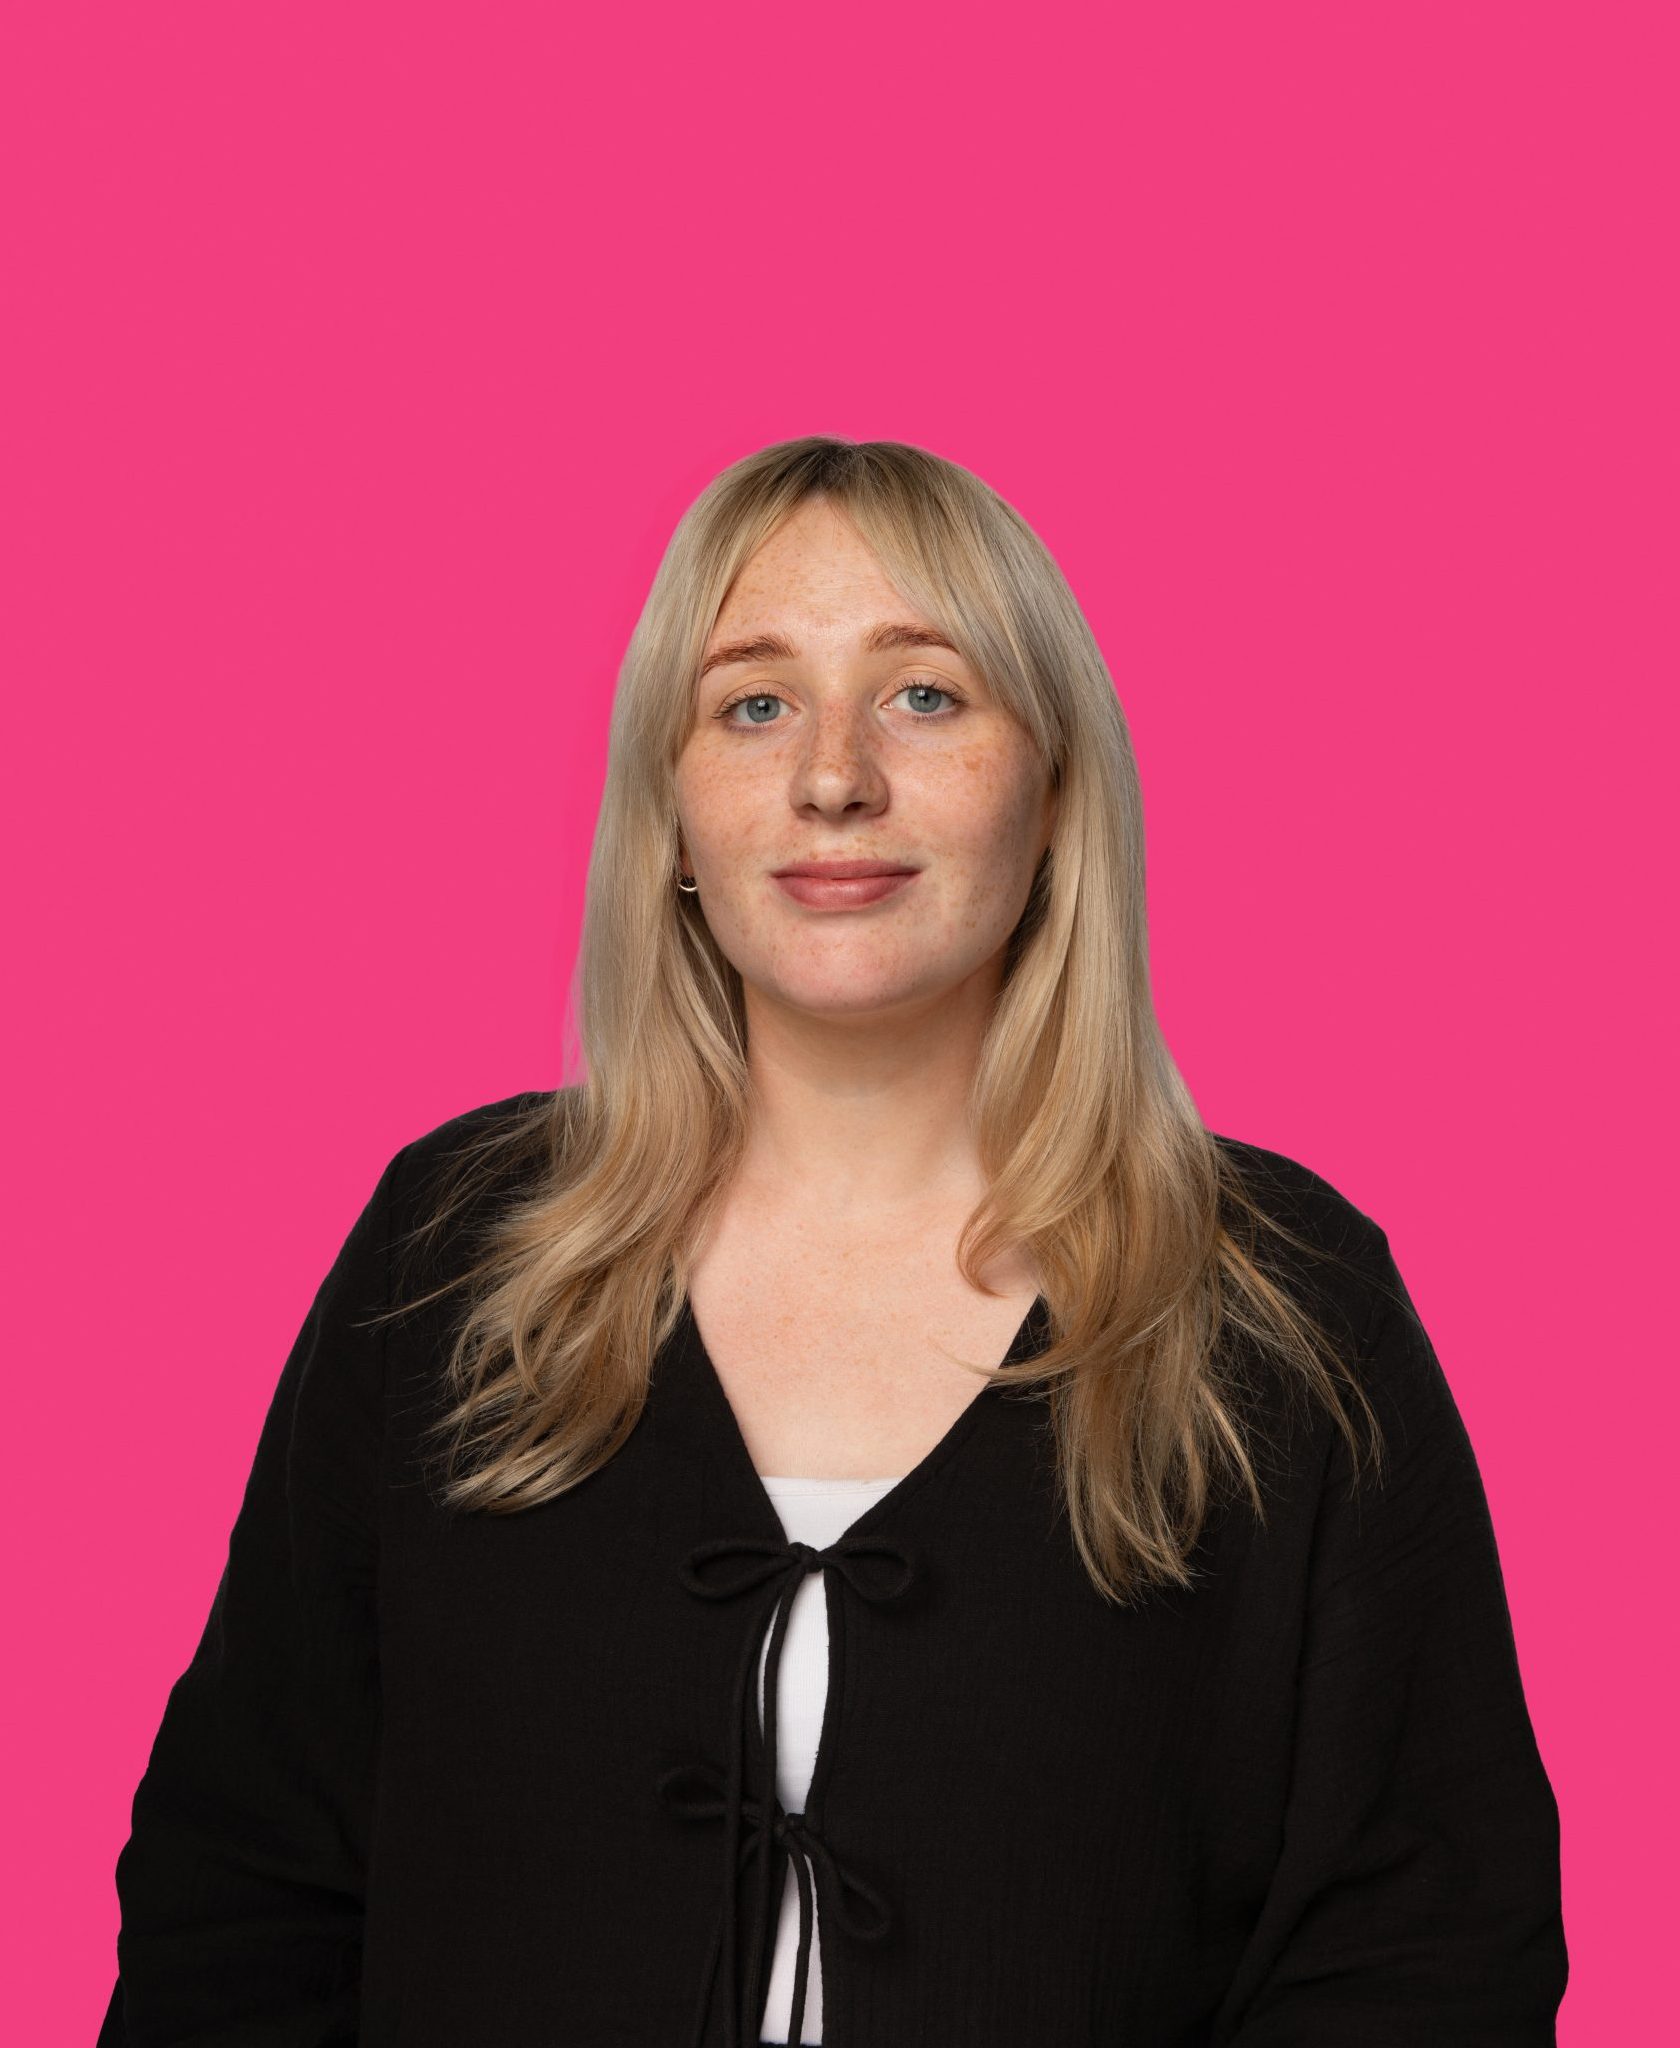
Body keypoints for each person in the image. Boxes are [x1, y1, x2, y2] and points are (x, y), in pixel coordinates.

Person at [98, 436, 1567, 2046]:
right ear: (671, 807)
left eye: (925, 695)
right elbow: (240, 1892)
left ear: (1057, 788)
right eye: (753, 702)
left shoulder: (1285, 1311)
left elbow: (1426, 1952)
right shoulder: (451, 1255)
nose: (833, 777)